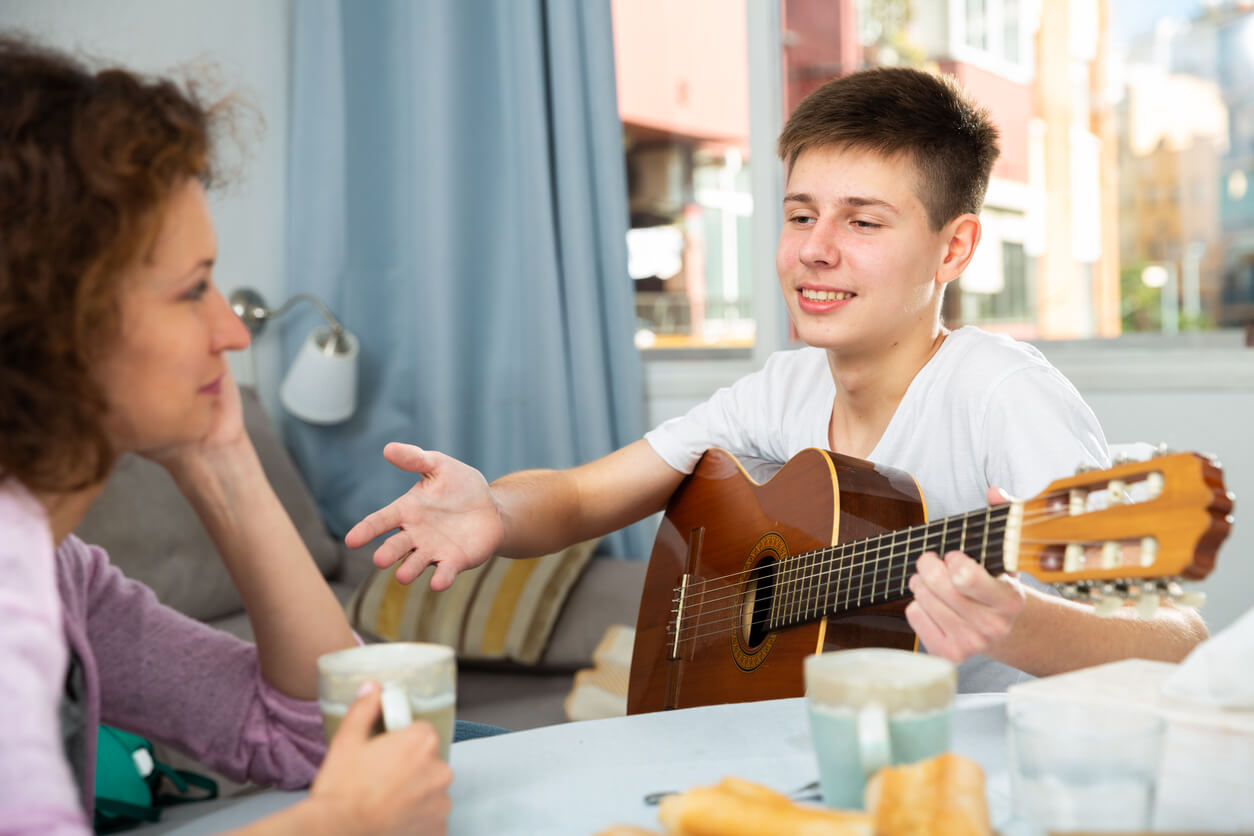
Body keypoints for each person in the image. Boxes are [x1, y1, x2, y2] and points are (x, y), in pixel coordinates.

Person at [345, 67, 1208, 692]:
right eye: (800, 214)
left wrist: (1021, 621)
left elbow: (1176, 640)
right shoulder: (781, 392)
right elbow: (579, 497)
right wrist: (492, 511)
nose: (814, 249)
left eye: (863, 220)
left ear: (955, 248)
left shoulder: (1002, 395)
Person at [0, 36, 451, 834]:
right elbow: (338, 785)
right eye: (192, 290)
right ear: (53, 321)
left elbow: (314, 736)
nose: (232, 335)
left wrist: (224, 460)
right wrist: (339, 824)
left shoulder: (57, 570)